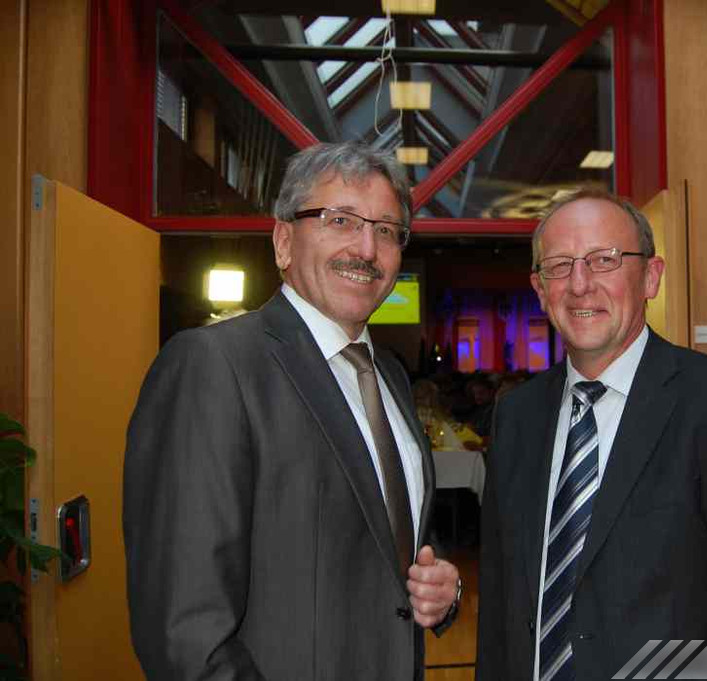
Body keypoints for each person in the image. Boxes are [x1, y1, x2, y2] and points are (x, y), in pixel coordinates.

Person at [124, 142, 460, 681]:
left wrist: (439, 584)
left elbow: (382, 533)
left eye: (386, 230)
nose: (366, 249)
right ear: (283, 242)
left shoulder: (389, 375)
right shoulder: (214, 366)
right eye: (340, 220)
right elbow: (185, 631)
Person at [476, 190, 707, 681]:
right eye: (559, 266)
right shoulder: (516, 416)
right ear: (539, 289)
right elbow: (500, 599)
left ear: (651, 277)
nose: (580, 284)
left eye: (604, 260)